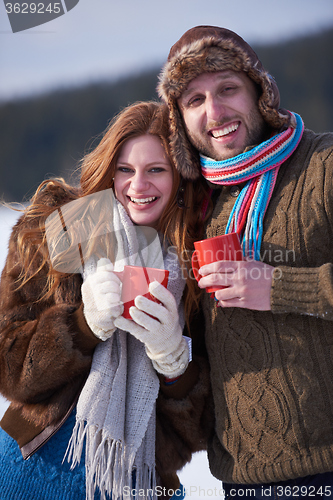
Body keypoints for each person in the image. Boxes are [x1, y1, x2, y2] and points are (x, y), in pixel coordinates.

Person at [0, 101, 213, 500]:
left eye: (156, 170)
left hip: (141, 483)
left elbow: (201, 430)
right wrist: (83, 326)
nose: (138, 186)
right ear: (109, 170)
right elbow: (6, 364)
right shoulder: (54, 229)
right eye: (125, 170)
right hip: (34, 463)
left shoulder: (201, 262)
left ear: (180, 178)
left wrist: (173, 361)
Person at [157, 25, 333, 499]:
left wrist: (279, 286)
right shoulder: (193, 204)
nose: (214, 112)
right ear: (180, 120)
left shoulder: (324, 164)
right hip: (241, 476)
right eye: (194, 100)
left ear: (261, 93)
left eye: (227, 89)